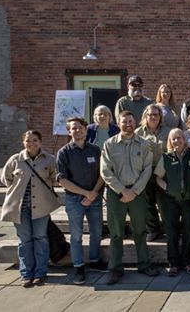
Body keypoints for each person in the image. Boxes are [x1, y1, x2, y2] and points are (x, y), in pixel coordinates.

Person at [101, 111, 159, 285]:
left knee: (140, 231)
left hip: (138, 193)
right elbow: (105, 171)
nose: (128, 124)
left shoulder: (144, 144)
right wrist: (121, 190)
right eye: (124, 121)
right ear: (118, 123)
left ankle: (144, 264)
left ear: (136, 123)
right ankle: (115, 269)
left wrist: (134, 191)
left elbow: (147, 169)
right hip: (115, 194)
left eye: (131, 121)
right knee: (116, 233)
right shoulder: (109, 144)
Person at [1, 130, 59, 287]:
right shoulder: (15, 160)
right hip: (20, 208)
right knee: (24, 240)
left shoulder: (49, 160)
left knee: (40, 238)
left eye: (35, 140)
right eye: (28, 141)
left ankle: (40, 272)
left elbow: (54, 179)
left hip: (41, 207)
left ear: (40, 142)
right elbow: (6, 179)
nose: (31, 143)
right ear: (23, 142)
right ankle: (26, 273)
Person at [56, 117, 107, 285]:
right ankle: (78, 267)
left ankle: (94, 260)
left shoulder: (95, 150)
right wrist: (86, 193)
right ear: (69, 131)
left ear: (86, 130)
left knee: (96, 232)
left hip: (95, 198)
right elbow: (62, 180)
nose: (77, 131)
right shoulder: (64, 152)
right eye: (73, 128)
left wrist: (93, 193)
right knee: (76, 236)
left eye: (80, 128)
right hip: (74, 200)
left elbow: (103, 173)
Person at [154, 129, 190, 277]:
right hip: (171, 200)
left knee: (189, 230)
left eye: (179, 138)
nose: (177, 141)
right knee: (171, 231)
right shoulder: (166, 157)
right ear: (170, 141)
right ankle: (173, 263)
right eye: (173, 139)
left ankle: (188, 261)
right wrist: (168, 188)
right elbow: (158, 178)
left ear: (184, 139)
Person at [136, 104, 171, 241]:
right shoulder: (139, 133)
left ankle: (169, 229)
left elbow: (170, 151)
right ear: (145, 116)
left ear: (160, 117)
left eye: (156, 115)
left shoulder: (168, 132)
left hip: (163, 172)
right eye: (150, 114)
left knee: (164, 204)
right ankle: (153, 230)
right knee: (148, 203)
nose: (153, 117)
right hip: (145, 172)